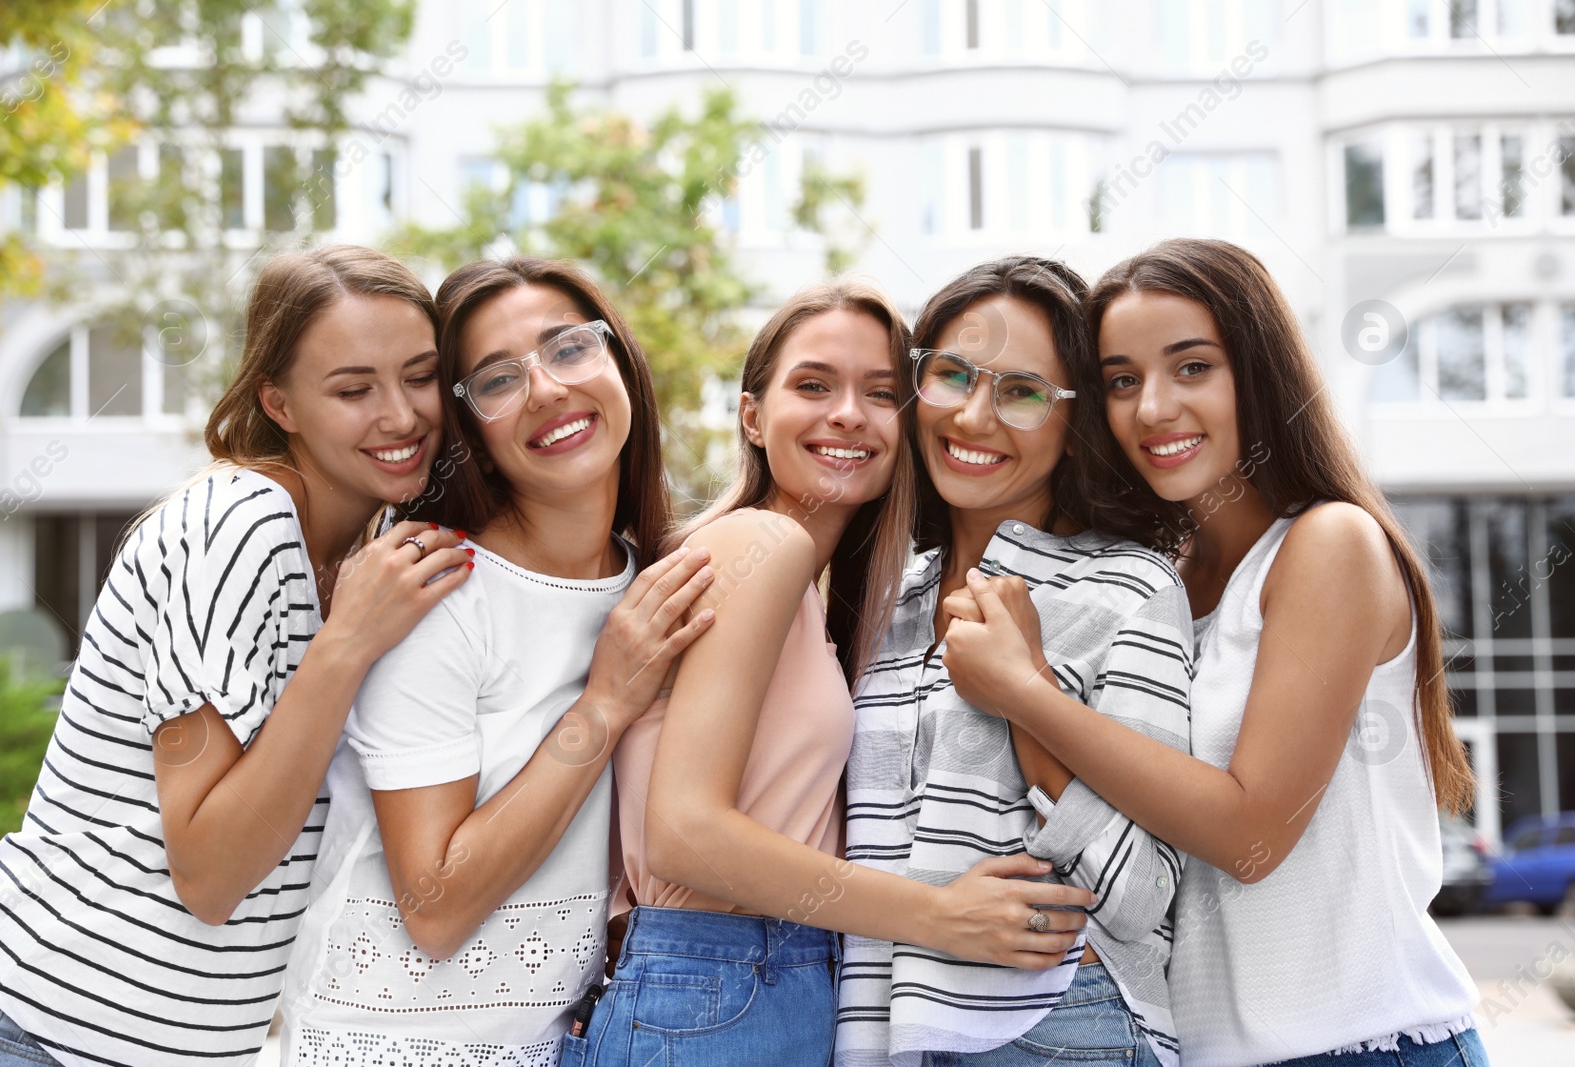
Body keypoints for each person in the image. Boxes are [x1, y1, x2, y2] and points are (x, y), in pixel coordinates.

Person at [941, 238, 1487, 1067]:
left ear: (1259, 374)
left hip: (1367, 1046)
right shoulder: (1157, 583)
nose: (1152, 407)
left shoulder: (1327, 544)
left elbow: (1247, 832)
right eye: (1123, 380)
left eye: (1192, 367)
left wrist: (1027, 691)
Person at [570, 280, 1096, 1067]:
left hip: (753, 984)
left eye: (880, 392)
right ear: (752, 416)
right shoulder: (762, 547)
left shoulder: (830, 602)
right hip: (726, 986)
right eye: (813, 385)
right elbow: (683, 832)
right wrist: (941, 915)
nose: (848, 412)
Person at [0, 246, 473, 1067]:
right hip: (42, 1030)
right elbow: (210, 871)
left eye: (420, 376)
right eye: (353, 389)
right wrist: (345, 646)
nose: (401, 414)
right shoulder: (242, 526)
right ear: (279, 402)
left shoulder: (359, 554)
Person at [279, 257, 714, 1067]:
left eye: (570, 348)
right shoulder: (439, 591)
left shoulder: (649, 576)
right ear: (470, 428)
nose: (547, 389)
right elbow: (435, 906)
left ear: (621, 359)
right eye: (498, 379)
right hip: (396, 1045)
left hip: (558, 1044)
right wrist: (605, 703)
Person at [836, 256, 1191, 1067]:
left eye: (1022, 391)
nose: (972, 414)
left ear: (1076, 425)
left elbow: (1141, 893)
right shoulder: (882, 606)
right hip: (884, 1027)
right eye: (952, 374)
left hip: (1064, 1022)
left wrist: (1025, 695)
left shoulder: (1127, 587)